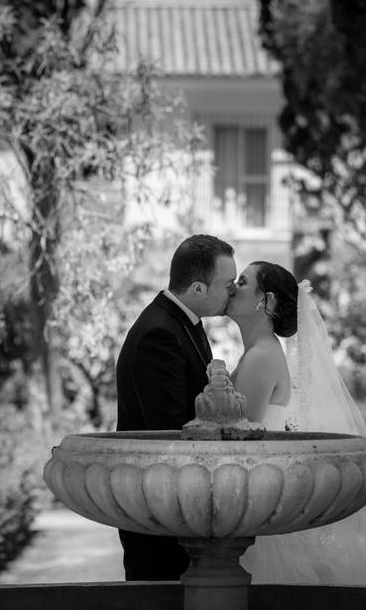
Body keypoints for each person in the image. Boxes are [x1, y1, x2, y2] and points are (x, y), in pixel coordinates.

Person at [227, 261, 366, 586]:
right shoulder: (259, 353)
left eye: (242, 281)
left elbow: (232, 440)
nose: (232, 287)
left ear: (265, 301)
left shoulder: (261, 357)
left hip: (257, 510)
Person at [115, 234, 237, 581]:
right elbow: (172, 430)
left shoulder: (183, 322)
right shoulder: (160, 334)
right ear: (198, 288)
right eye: (227, 283)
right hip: (159, 510)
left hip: (178, 506)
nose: (232, 291)